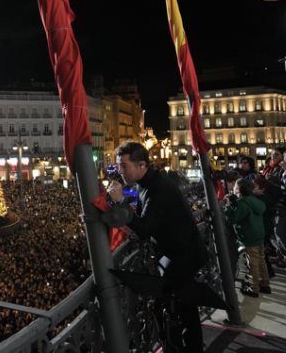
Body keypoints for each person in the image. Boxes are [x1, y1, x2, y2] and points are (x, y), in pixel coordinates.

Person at [107, 141, 206, 353]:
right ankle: (186, 346)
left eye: (124, 166)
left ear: (142, 164)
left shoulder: (158, 189)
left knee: (180, 307)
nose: (120, 171)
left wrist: (121, 202)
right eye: (118, 166)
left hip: (181, 256)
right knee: (182, 307)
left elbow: (144, 229)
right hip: (176, 253)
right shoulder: (148, 183)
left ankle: (185, 347)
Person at [225, 178, 270, 297]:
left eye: (234, 186)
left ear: (239, 190)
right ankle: (265, 284)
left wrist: (229, 206)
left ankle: (253, 288)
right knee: (261, 260)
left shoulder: (243, 203)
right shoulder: (255, 200)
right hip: (259, 235)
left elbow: (234, 219)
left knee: (252, 263)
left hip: (249, 237)